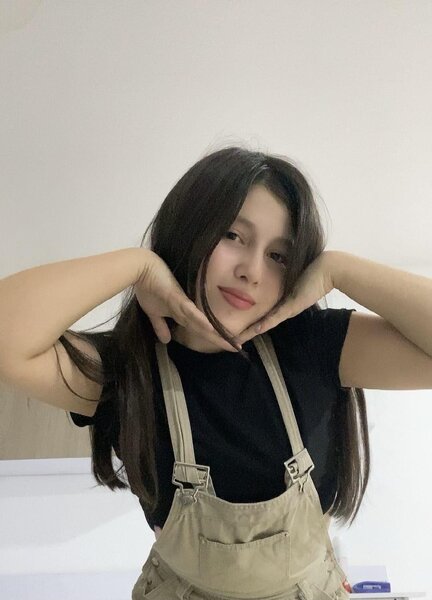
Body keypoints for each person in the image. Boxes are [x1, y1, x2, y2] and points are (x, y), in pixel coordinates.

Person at [2, 146, 431, 599]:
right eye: (233, 235)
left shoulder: (312, 345)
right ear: (191, 228)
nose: (251, 271)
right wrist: (136, 265)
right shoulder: (127, 372)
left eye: (279, 256)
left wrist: (340, 268)